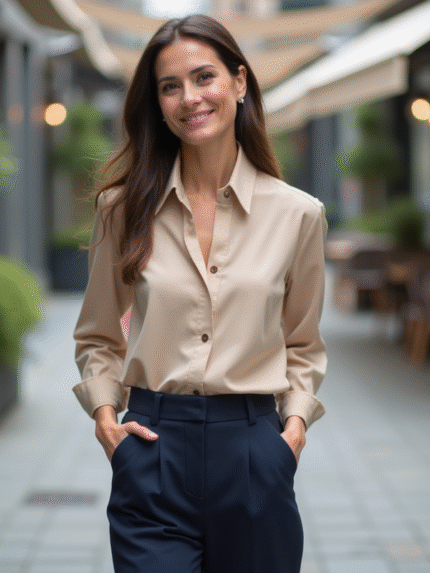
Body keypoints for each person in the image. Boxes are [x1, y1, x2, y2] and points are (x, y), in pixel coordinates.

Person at [73, 14, 327, 573]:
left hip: (255, 453)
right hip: (153, 452)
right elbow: (96, 332)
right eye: (170, 86)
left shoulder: (299, 215)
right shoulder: (122, 209)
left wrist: (293, 432)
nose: (190, 98)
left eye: (204, 77)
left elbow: (303, 343)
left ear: (239, 83)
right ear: (158, 104)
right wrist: (106, 415)